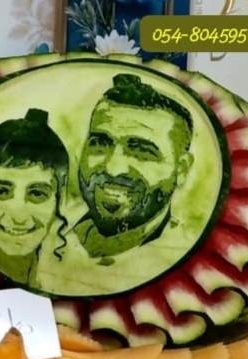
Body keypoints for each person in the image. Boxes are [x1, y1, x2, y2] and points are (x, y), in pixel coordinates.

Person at [63, 72, 195, 260]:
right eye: (100, 144)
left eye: (141, 152)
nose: (113, 169)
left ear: (181, 169)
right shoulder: (54, 244)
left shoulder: (184, 257)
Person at [0, 108, 70, 287]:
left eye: (37, 194)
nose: (19, 217)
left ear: (58, 200)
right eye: (0, 192)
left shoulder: (73, 279)